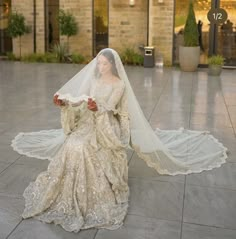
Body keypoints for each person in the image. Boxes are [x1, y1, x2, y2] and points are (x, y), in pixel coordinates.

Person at [12, 48, 228, 233]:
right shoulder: (94, 79)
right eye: (98, 63)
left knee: (83, 147)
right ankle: (65, 187)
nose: (100, 67)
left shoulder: (119, 85)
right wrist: (65, 103)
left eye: (104, 64)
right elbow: (80, 101)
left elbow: (111, 108)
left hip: (106, 122)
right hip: (89, 120)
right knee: (72, 144)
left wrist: (97, 108)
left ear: (112, 65)